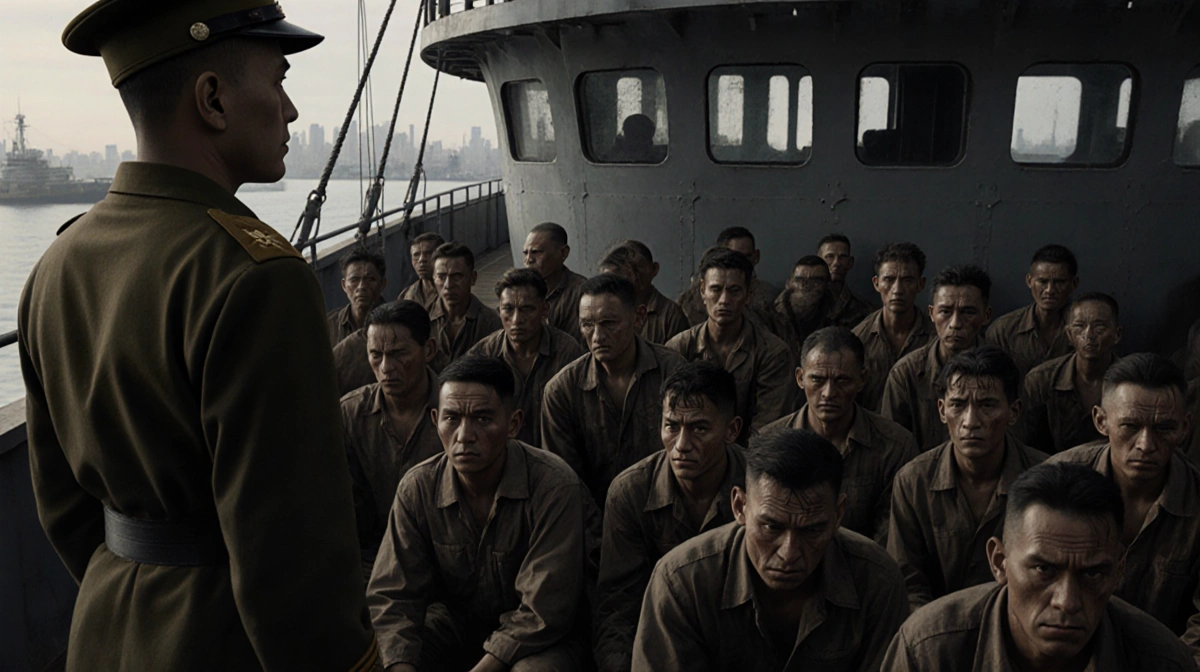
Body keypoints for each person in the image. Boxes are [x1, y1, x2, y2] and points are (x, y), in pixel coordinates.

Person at [18, 3, 379, 670]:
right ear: (212, 99)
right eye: (278, 81)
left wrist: (136, 583)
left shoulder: (58, 265)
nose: (292, 110)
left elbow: (64, 506)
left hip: (105, 627)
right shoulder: (256, 275)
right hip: (221, 642)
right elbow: (291, 559)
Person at [367, 356, 594, 671]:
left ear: (514, 423)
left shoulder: (553, 486)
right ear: (435, 420)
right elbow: (393, 598)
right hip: (454, 626)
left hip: (541, 640)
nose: (464, 435)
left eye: (483, 419)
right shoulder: (417, 487)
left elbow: (544, 609)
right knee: (385, 658)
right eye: (452, 418)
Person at [631, 428, 909, 671]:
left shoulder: (877, 581)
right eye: (771, 528)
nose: (789, 553)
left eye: (811, 530)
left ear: (839, 514)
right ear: (740, 507)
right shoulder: (681, 582)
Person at [882, 462, 1196, 671]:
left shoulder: (1162, 661)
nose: (1067, 601)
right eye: (1044, 571)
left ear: (1119, 569)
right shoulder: (929, 652)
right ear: (999, 562)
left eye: (1092, 574)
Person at [1046, 354, 1200, 664]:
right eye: (1130, 425)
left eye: (1164, 428)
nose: (1145, 444)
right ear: (1102, 421)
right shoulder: (1054, 483)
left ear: (1184, 428)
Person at [594, 362, 746, 672]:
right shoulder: (631, 491)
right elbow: (618, 607)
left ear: (732, 430)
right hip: (659, 643)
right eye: (671, 426)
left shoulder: (758, 486)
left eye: (699, 429)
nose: (681, 445)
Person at [888, 346, 1048, 610]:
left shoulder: (1044, 478)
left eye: (987, 405)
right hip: (933, 628)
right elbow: (908, 583)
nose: (970, 421)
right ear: (942, 410)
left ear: (1014, 411)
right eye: (958, 405)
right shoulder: (913, 482)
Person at [541, 274, 687, 507]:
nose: (597, 336)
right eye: (587, 324)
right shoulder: (561, 391)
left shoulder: (673, 372)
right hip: (590, 518)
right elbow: (565, 480)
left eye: (609, 323)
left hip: (666, 511)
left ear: (638, 317)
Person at [765, 327, 919, 542]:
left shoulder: (895, 446)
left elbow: (891, 536)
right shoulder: (770, 443)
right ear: (800, 378)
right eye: (817, 380)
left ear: (862, 379)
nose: (828, 393)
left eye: (842, 380)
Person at [340, 301, 442, 579]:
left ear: (429, 350)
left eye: (399, 354)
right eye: (376, 354)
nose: (386, 367)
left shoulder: (455, 412)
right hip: (369, 561)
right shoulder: (350, 414)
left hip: (442, 562)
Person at [666, 247, 794, 443]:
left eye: (734, 291)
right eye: (716, 289)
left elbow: (767, 430)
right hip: (688, 453)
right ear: (702, 290)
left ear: (749, 293)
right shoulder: (679, 348)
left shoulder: (772, 352)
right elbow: (669, 419)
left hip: (746, 462)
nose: (724, 300)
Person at [467, 268, 585, 447]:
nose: (516, 320)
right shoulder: (484, 354)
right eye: (508, 309)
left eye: (526, 309)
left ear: (544, 310)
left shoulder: (567, 352)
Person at [882, 264, 993, 450]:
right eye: (945, 312)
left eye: (968, 312)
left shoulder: (1005, 371)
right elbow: (891, 446)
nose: (956, 323)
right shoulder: (906, 374)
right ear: (932, 313)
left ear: (986, 315)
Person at [1022, 293, 1122, 453]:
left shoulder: (1130, 382)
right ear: (1069, 335)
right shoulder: (1041, 380)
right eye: (1079, 326)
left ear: (1117, 334)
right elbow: (1032, 447)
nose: (1089, 335)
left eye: (1099, 327)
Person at [852, 242, 934, 412]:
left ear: (921, 284)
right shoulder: (858, 339)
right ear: (876, 283)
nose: (897, 290)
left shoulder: (936, 338)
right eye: (889, 280)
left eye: (907, 280)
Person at [985, 244, 1079, 378]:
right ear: (1029, 281)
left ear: (1074, 284)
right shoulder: (1003, 330)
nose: (1050, 290)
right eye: (1042, 281)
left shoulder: (1083, 329)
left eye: (1059, 282)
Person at [677, 227, 779, 331]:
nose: (743, 262)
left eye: (748, 256)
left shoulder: (769, 296)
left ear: (756, 256)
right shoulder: (689, 305)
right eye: (736, 256)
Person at [597, 240, 690, 344]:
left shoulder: (670, 315)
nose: (636, 277)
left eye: (638, 269)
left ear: (654, 269)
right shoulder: (603, 310)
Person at [429, 242, 502, 363]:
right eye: (441, 276)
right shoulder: (421, 319)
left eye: (457, 276)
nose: (448, 285)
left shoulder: (491, 323)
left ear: (473, 278)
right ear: (433, 278)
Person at [523, 222, 587, 342]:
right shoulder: (519, 290)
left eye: (537, 252)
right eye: (526, 253)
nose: (529, 260)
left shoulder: (581, 293)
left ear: (563, 253)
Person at [772, 255, 834, 363]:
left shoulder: (839, 315)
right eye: (799, 280)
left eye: (815, 281)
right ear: (788, 283)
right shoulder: (770, 318)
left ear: (827, 285)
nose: (806, 286)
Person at [328, 247, 387, 346]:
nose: (361, 287)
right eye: (354, 280)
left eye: (370, 279)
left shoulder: (397, 324)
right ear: (344, 285)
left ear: (382, 284)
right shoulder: (330, 325)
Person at [818, 233, 874, 328]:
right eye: (829, 257)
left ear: (850, 262)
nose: (836, 263)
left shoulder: (864, 310)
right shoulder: (808, 305)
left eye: (842, 257)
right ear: (819, 260)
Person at [398, 231, 444, 311]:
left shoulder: (451, 290)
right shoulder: (406, 295)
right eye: (416, 255)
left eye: (428, 253)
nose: (421, 259)